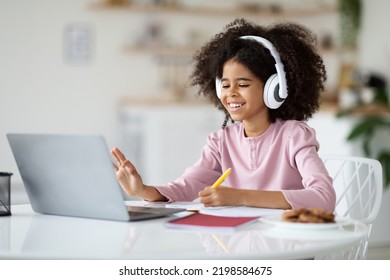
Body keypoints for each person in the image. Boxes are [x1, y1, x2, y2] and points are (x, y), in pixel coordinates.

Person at [112, 18, 336, 211]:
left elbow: (324, 197)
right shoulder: (221, 142)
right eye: (226, 85)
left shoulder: (293, 136)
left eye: (243, 84)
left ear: (274, 88)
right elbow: (186, 187)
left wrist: (239, 196)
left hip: (288, 247)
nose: (231, 94)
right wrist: (143, 190)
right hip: (241, 245)